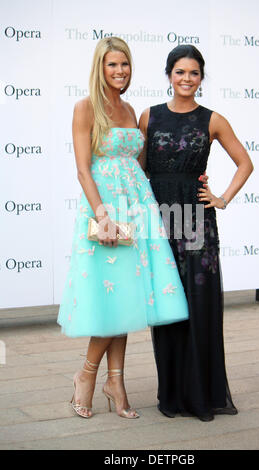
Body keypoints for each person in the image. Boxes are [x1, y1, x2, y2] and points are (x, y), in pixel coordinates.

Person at [57, 38, 189, 419]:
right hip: (106, 208)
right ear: (100, 67)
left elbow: (141, 163)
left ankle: (115, 381)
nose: (120, 72)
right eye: (113, 65)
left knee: (129, 296)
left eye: (125, 65)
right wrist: (102, 214)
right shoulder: (85, 108)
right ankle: (86, 375)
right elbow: (83, 168)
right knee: (113, 296)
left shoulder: (131, 109)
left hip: (137, 206)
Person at [139, 45, 254, 421]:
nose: (186, 79)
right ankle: (171, 393)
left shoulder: (213, 119)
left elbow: (245, 163)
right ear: (168, 75)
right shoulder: (149, 117)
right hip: (160, 218)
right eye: (179, 72)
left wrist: (221, 198)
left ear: (201, 78)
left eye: (194, 73)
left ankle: (201, 392)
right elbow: (139, 173)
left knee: (198, 304)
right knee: (168, 306)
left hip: (194, 219)